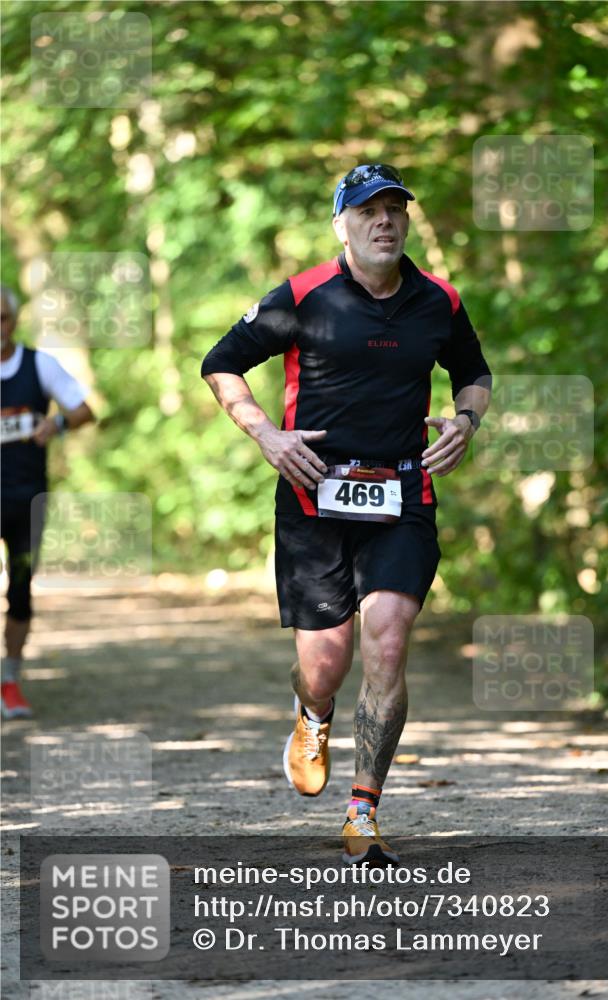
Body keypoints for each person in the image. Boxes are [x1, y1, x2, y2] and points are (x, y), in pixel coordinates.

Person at [201, 164, 492, 863]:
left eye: (394, 209)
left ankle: (363, 812)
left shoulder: (438, 301)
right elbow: (221, 363)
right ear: (342, 224)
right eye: (367, 211)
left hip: (401, 494)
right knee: (325, 666)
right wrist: (265, 434)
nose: (383, 221)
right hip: (313, 498)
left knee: (387, 639)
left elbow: (473, 373)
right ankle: (312, 713)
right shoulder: (301, 295)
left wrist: (464, 421)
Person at [1, 285, 95, 719]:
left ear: (14, 321)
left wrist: (54, 423)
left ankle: (10, 682)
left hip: (25, 500)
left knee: (20, 592)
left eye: (2, 318)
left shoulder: (39, 364)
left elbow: (83, 410)